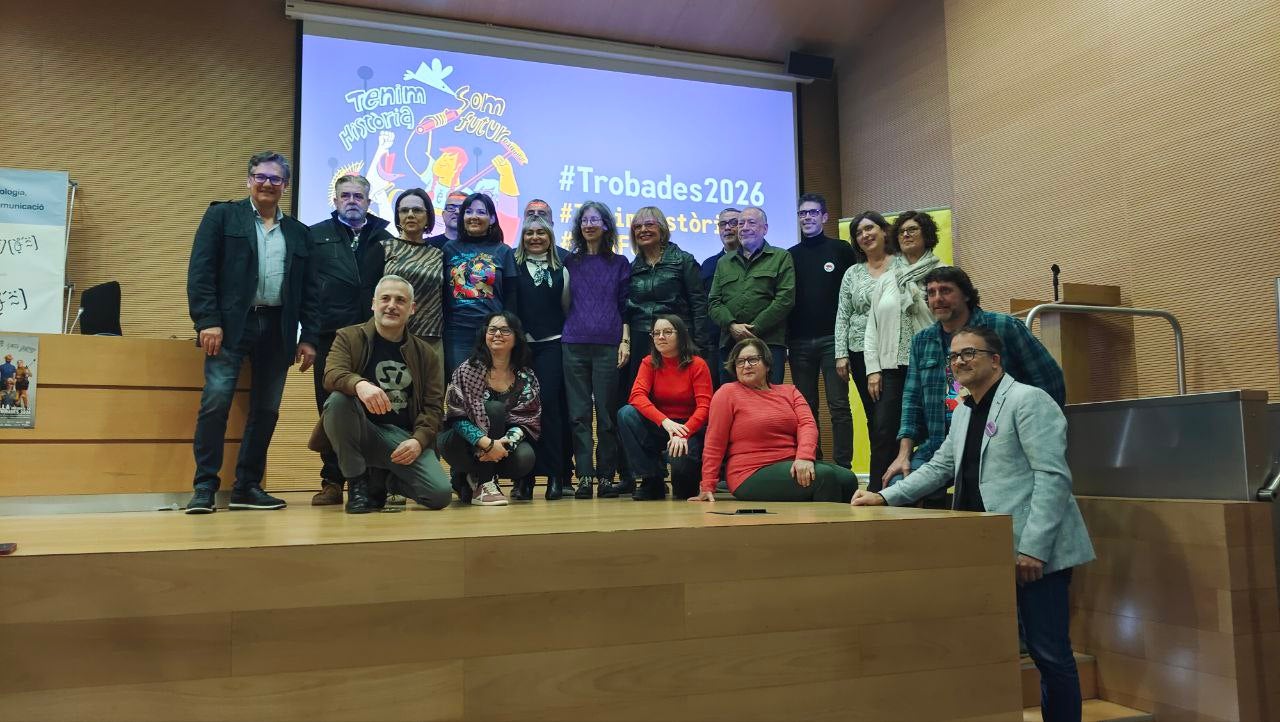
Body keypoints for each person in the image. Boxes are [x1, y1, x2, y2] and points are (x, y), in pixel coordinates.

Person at [853, 326, 1093, 721]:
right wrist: (885, 496)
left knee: (1049, 654)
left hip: (1034, 553)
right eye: (954, 356)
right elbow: (941, 467)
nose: (959, 362)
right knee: (987, 650)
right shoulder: (965, 410)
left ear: (995, 360)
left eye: (970, 353)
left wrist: (1033, 547)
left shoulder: (1028, 400)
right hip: (984, 548)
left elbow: (1053, 478)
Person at [185, 150, 317, 514]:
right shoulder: (222, 216)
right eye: (261, 176)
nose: (267, 184)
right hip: (229, 327)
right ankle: (204, 488)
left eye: (276, 179)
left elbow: (309, 290)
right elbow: (201, 272)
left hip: (278, 328)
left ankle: (247, 487)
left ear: (286, 186)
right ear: (248, 180)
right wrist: (206, 320)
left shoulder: (298, 233)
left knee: (267, 410)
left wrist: (309, 337)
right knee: (216, 402)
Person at [884, 267, 1066, 491]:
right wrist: (903, 455)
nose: (937, 298)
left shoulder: (1003, 327)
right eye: (931, 293)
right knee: (897, 485)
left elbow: (1050, 381)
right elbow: (911, 400)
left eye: (946, 290)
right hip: (941, 446)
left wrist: (1036, 435)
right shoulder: (922, 341)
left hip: (1000, 442)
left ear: (966, 295)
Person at [310, 275, 452, 513]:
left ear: (412, 309)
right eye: (385, 298)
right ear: (374, 303)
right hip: (361, 429)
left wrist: (418, 441)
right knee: (337, 401)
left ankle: (382, 481)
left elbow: (434, 408)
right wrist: (358, 384)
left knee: (439, 495)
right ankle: (358, 484)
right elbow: (331, 375)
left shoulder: (426, 354)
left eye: (400, 300)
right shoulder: (348, 336)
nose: (392, 305)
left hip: (400, 437)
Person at [307, 174, 395, 506]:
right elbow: (308, 292)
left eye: (359, 196)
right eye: (346, 195)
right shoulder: (315, 237)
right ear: (335, 200)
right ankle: (332, 480)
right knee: (331, 407)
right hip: (331, 336)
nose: (352, 201)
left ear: (369, 202)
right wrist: (309, 338)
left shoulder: (385, 239)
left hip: (374, 336)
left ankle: (373, 482)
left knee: (375, 409)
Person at [692, 338, 858, 503]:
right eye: (740, 361)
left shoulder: (789, 391)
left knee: (848, 479)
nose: (746, 365)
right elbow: (715, 442)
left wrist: (804, 457)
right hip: (749, 472)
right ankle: (821, 528)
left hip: (792, 462)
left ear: (768, 364)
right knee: (825, 478)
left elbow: (807, 425)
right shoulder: (727, 393)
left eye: (753, 359)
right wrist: (707, 485)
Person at [617, 206, 708, 494]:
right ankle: (650, 478)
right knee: (634, 410)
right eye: (637, 226)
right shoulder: (633, 267)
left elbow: (698, 305)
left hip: (680, 343)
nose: (643, 230)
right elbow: (626, 311)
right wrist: (627, 341)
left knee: (685, 486)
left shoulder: (683, 261)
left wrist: (698, 347)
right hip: (645, 343)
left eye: (649, 224)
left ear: (662, 228)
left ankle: (690, 464)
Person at [861, 210, 945, 489]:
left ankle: (926, 492)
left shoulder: (940, 274)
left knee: (932, 430)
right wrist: (872, 369)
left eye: (913, 230)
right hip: (891, 368)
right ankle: (877, 493)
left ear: (927, 235)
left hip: (930, 365)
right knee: (884, 431)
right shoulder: (887, 279)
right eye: (902, 232)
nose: (906, 235)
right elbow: (871, 327)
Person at [562, 201, 632, 499]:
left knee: (606, 415)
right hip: (573, 344)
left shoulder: (620, 264)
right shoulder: (569, 263)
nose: (589, 224)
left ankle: (606, 476)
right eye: (584, 220)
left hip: (608, 345)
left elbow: (625, 306)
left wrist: (625, 341)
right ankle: (584, 478)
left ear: (606, 226)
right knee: (578, 415)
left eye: (595, 220)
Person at [787, 193, 859, 470]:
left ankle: (843, 467)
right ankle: (812, 463)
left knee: (839, 405)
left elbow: (852, 296)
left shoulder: (841, 250)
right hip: (799, 342)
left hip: (834, 342)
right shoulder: (789, 255)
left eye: (813, 213)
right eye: (802, 213)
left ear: (824, 217)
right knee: (805, 408)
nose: (807, 218)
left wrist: (846, 344)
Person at [439, 311, 541, 506]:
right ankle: (484, 483)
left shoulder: (526, 376)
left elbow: (527, 419)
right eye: (492, 329)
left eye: (505, 330)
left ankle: (469, 480)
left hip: (500, 446)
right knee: (494, 409)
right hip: (459, 442)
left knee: (525, 457)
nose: (497, 334)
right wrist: (487, 444)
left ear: (517, 337)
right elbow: (456, 417)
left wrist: (504, 445)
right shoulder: (467, 369)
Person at [618, 315, 713, 500]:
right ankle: (652, 479)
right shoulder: (649, 362)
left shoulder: (697, 364)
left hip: (690, 429)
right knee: (626, 414)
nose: (661, 337)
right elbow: (636, 396)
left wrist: (683, 433)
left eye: (668, 332)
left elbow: (705, 407)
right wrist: (664, 421)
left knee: (683, 492)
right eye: (656, 333)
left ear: (681, 335)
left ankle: (687, 478)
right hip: (663, 426)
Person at [511, 213, 572, 500]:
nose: (534, 237)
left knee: (548, 408)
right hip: (521, 347)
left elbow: (565, 307)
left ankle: (555, 476)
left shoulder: (562, 268)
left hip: (552, 345)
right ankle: (523, 478)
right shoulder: (513, 264)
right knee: (521, 409)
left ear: (550, 238)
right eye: (529, 233)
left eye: (541, 233)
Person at [707, 206, 795, 385]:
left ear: (765, 228)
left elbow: (785, 299)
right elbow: (714, 302)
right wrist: (732, 326)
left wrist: (752, 329)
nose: (744, 227)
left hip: (769, 344)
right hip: (730, 345)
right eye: (741, 223)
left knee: (769, 402)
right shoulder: (724, 262)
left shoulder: (781, 257)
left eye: (751, 222)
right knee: (731, 402)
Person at [834, 211, 891, 481]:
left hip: (894, 351)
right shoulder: (852, 273)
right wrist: (841, 354)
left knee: (892, 417)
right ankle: (879, 480)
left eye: (870, 229)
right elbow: (843, 314)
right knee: (874, 416)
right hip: (859, 352)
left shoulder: (900, 266)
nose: (865, 235)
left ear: (884, 231)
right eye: (859, 233)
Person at [441, 192, 519, 376]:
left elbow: (512, 295)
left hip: (493, 333)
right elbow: (442, 292)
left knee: (492, 391)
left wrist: (508, 330)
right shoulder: (449, 249)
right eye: (468, 212)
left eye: (481, 212)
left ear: (492, 219)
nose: (474, 217)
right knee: (460, 388)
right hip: (457, 332)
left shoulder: (504, 251)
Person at [382, 188, 445, 362]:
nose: (410, 215)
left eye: (416, 210)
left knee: (430, 390)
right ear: (398, 217)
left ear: (428, 216)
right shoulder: (384, 248)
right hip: (390, 336)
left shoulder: (439, 254)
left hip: (430, 337)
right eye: (404, 210)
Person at [699, 208, 740, 389]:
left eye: (733, 223)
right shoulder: (708, 265)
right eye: (723, 224)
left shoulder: (759, 261)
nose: (728, 228)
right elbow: (703, 303)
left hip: (749, 339)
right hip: (715, 344)